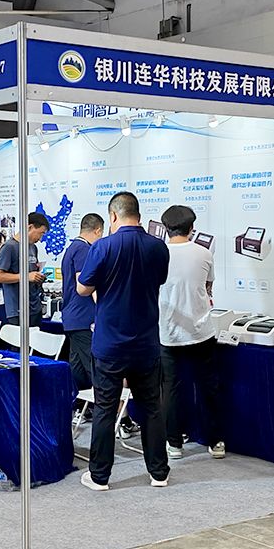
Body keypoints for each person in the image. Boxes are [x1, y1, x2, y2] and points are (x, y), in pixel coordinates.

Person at [77, 192, 170, 491]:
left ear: (113, 216)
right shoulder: (158, 247)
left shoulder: (102, 246)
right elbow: (159, 281)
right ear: (138, 214)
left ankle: (99, 477)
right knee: (152, 408)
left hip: (110, 343)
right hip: (146, 342)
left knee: (105, 408)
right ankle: (159, 473)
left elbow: (82, 288)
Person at [158, 205, 225, 460]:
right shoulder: (204, 253)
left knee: (171, 390)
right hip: (201, 331)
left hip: (168, 332)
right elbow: (208, 288)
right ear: (191, 228)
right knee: (208, 387)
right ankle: (216, 442)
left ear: (166, 228)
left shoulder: (158, 254)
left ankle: (174, 444)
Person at [61, 213, 105, 392]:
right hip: (83, 317)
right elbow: (84, 284)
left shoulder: (72, 247)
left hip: (73, 317)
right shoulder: (84, 250)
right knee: (93, 367)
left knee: (77, 366)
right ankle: (106, 405)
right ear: (98, 230)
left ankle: (79, 403)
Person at [0, 212, 50, 327]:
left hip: (34, 306)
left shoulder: (33, 248)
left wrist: (37, 277)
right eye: (40, 233)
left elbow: (31, 274)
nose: (40, 239)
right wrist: (26, 276)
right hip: (17, 308)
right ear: (30, 227)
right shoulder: (9, 247)